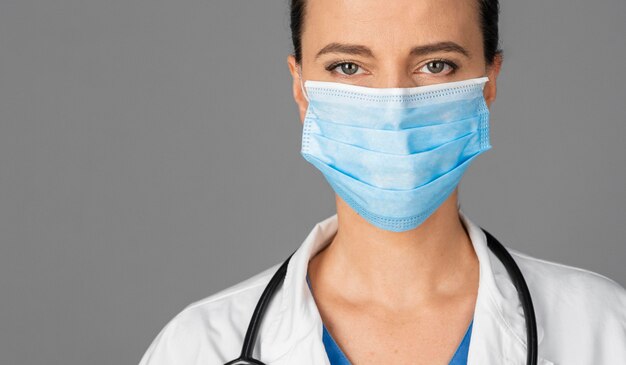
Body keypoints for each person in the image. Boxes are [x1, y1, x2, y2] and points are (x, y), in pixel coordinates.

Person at [138, 0, 626, 364]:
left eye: (436, 65)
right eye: (348, 67)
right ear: (300, 88)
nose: (394, 106)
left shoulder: (604, 330)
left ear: (489, 82)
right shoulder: (197, 347)